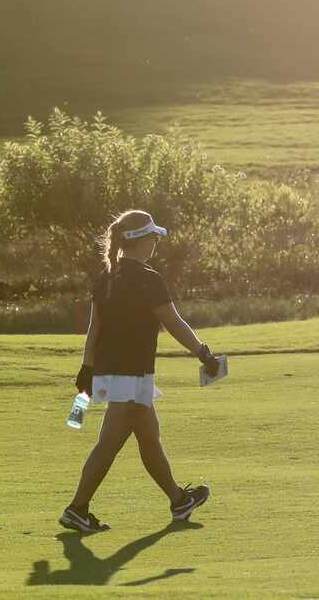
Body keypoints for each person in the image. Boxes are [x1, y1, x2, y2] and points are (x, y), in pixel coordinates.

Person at [60, 209, 219, 535]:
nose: (157, 242)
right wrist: (204, 354)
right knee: (109, 444)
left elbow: (94, 330)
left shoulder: (106, 278)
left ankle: (178, 500)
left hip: (117, 373)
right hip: (130, 375)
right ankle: (77, 509)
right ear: (141, 241)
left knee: (149, 438)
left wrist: (87, 368)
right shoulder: (149, 280)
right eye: (153, 237)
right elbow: (174, 324)